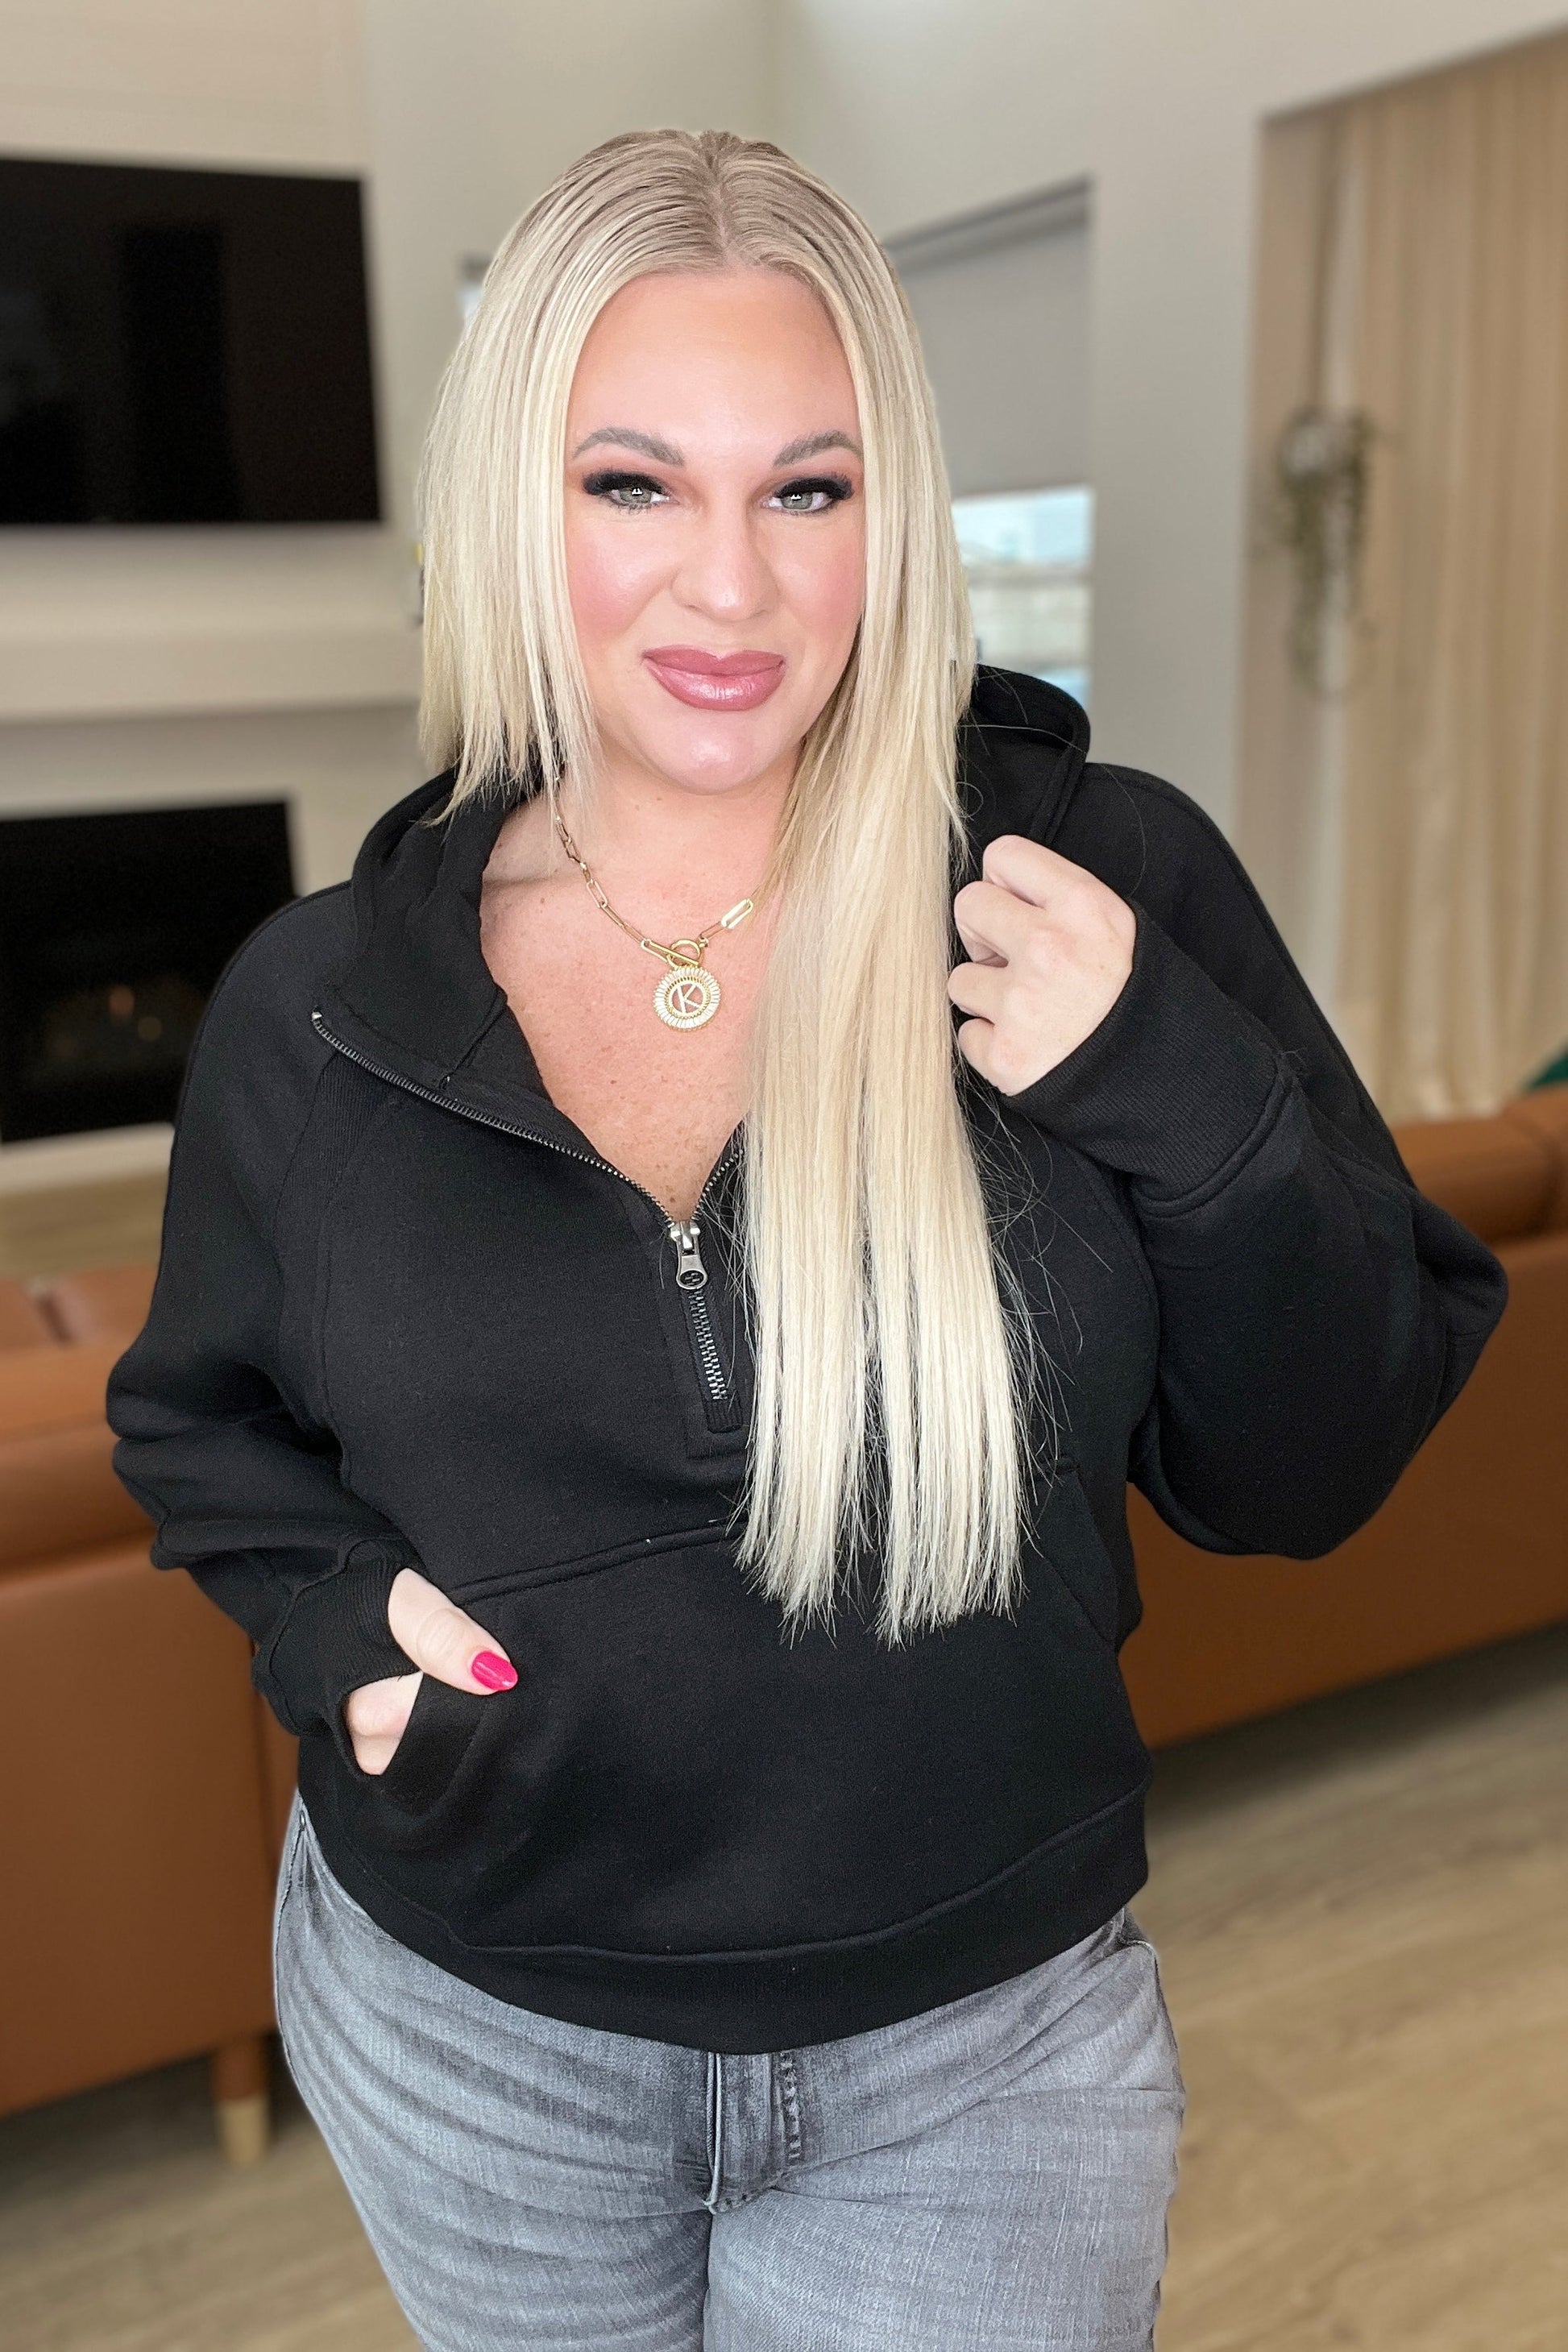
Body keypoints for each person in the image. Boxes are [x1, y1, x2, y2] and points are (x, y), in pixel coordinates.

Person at [106, 128, 1507, 2352]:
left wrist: (1179, 1087)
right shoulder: (321, 1001)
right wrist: (327, 1625)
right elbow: (198, 1424)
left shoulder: (1091, 888)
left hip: (978, 2060)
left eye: (809, 490)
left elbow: (1313, 1471)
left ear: (893, 514)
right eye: (634, 485)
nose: (731, 588)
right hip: (470, 2040)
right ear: (518, 508)